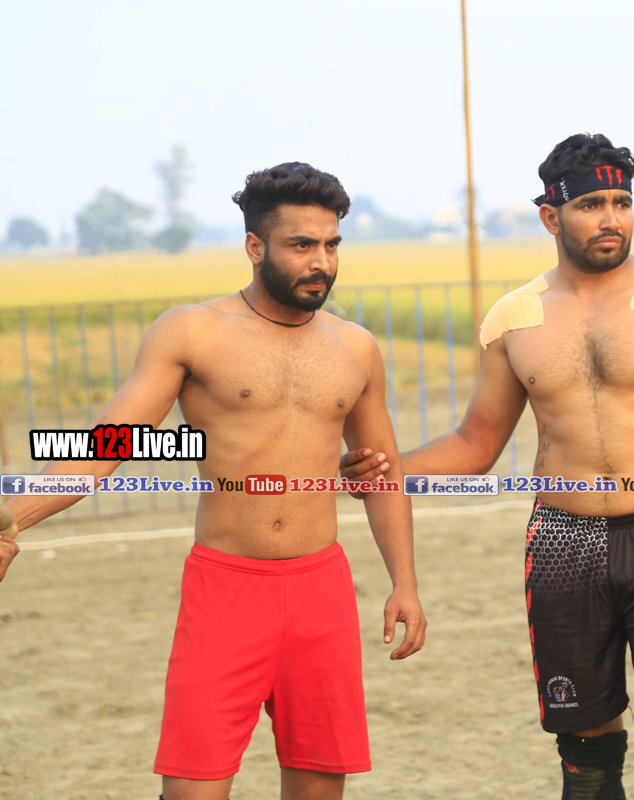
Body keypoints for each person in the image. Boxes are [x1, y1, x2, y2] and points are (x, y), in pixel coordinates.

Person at [343, 133, 634, 799]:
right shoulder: (514, 319)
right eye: (591, 205)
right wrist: (390, 471)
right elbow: (477, 443)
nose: (611, 218)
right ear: (550, 216)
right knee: (586, 768)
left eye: (621, 203)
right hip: (565, 545)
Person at [0, 163, 427, 800]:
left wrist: (405, 583)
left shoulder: (356, 347)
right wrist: (13, 517)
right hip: (227, 585)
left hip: (322, 587)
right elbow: (105, 444)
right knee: (194, 787)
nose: (321, 262)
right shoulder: (193, 330)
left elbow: (383, 474)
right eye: (301, 245)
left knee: (318, 783)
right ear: (255, 246)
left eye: (331, 244)